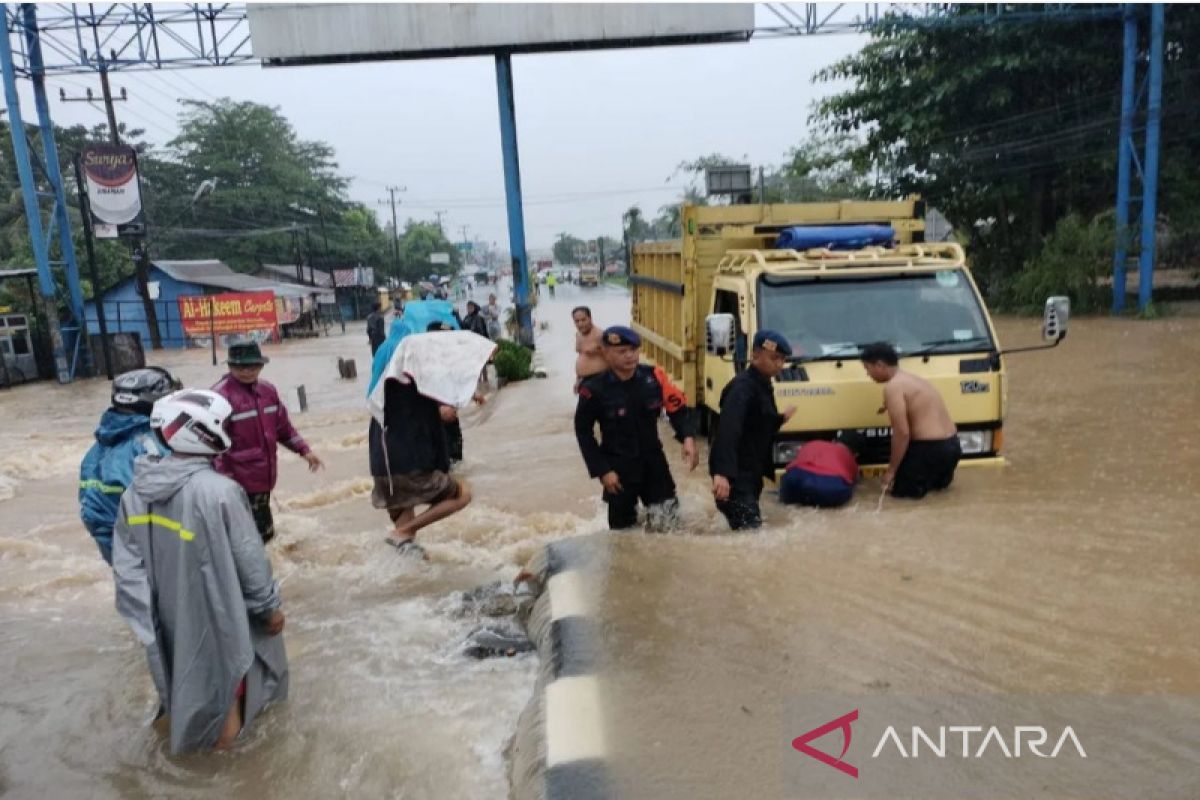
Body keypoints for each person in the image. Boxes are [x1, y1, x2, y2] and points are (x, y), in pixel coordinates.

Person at [112, 389, 288, 754]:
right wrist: (268, 610)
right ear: (204, 431)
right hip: (218, 616)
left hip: (166, 617)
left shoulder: (135, 493)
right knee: (228, 697)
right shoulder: (220, 492)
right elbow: (250, 562)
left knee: (186, 688)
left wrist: (146, 619)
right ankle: (231, 779)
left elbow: (127, 567)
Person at [369, 337, 489, 554]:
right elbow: (446, 409)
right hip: (408, 466)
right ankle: (403, 531)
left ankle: (406, 560)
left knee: (407, 548)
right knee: (462, 495)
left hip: (382, 469)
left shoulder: (383, 387)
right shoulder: (420, 384)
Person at [575, 326, 699, 531]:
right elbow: (583, 432)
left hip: (653, 464)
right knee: (623, 537)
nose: (630, 356)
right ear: (605, 353)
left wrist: (687, 438)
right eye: (622, 352)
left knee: (669, 526)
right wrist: (603, 471)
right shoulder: (593, 390)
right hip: (618, 470)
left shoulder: (654, 378)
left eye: (633, 349)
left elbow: (677, 409)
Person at [213, 341, 323, 543]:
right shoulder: (219, 397)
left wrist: (304, 450)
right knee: (247, 538)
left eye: (253, 366)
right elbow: (213, 447)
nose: (247, 372)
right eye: (241, 367)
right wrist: (223, 483)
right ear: (230, 367)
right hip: (236, 482)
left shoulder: (268, 391)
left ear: (261, 365)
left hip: (264, 477)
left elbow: (283, 428)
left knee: (264, 535)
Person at [79, 367, 177, 565]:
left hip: (114, 546)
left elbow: (91, 509)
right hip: (149, 548)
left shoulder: (98, 447)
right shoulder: (153, 446)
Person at [709, 330, 797, 530]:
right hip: (735, 476)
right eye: (775, 358)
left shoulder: (761, 384)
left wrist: (780, 419)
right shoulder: (742, 388)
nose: (780, 364)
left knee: (749, 530)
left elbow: (759, 422)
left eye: (783, 359)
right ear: (755, 355)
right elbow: (728, 430)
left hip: (750, 473)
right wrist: (722, 474)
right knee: (750, 534)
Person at [860, 341, 961, 499]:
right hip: (952, 446)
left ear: (879, 365)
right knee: (937, 498)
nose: (868, 374)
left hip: (928, 450)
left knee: (901, 500)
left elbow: (902, 432)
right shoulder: (913, 380)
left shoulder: (893, 387)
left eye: (867, 369)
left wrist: (891, 470)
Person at [779, 437, 860, 508]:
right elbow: (855, 481)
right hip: (829, 487)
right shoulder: (850, 459)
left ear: (833, 441)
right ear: (855, 455)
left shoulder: (813, 443)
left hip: (794, 479)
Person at [572, 306, 607, 390]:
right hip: (584, 381)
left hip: (600, 380)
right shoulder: (578, 334)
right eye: (577, 321)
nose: (580, 324)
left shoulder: (600, 335)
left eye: (583, 320)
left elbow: (612, 357)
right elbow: (582, 356)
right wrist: (578, 379)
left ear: (590, 318)